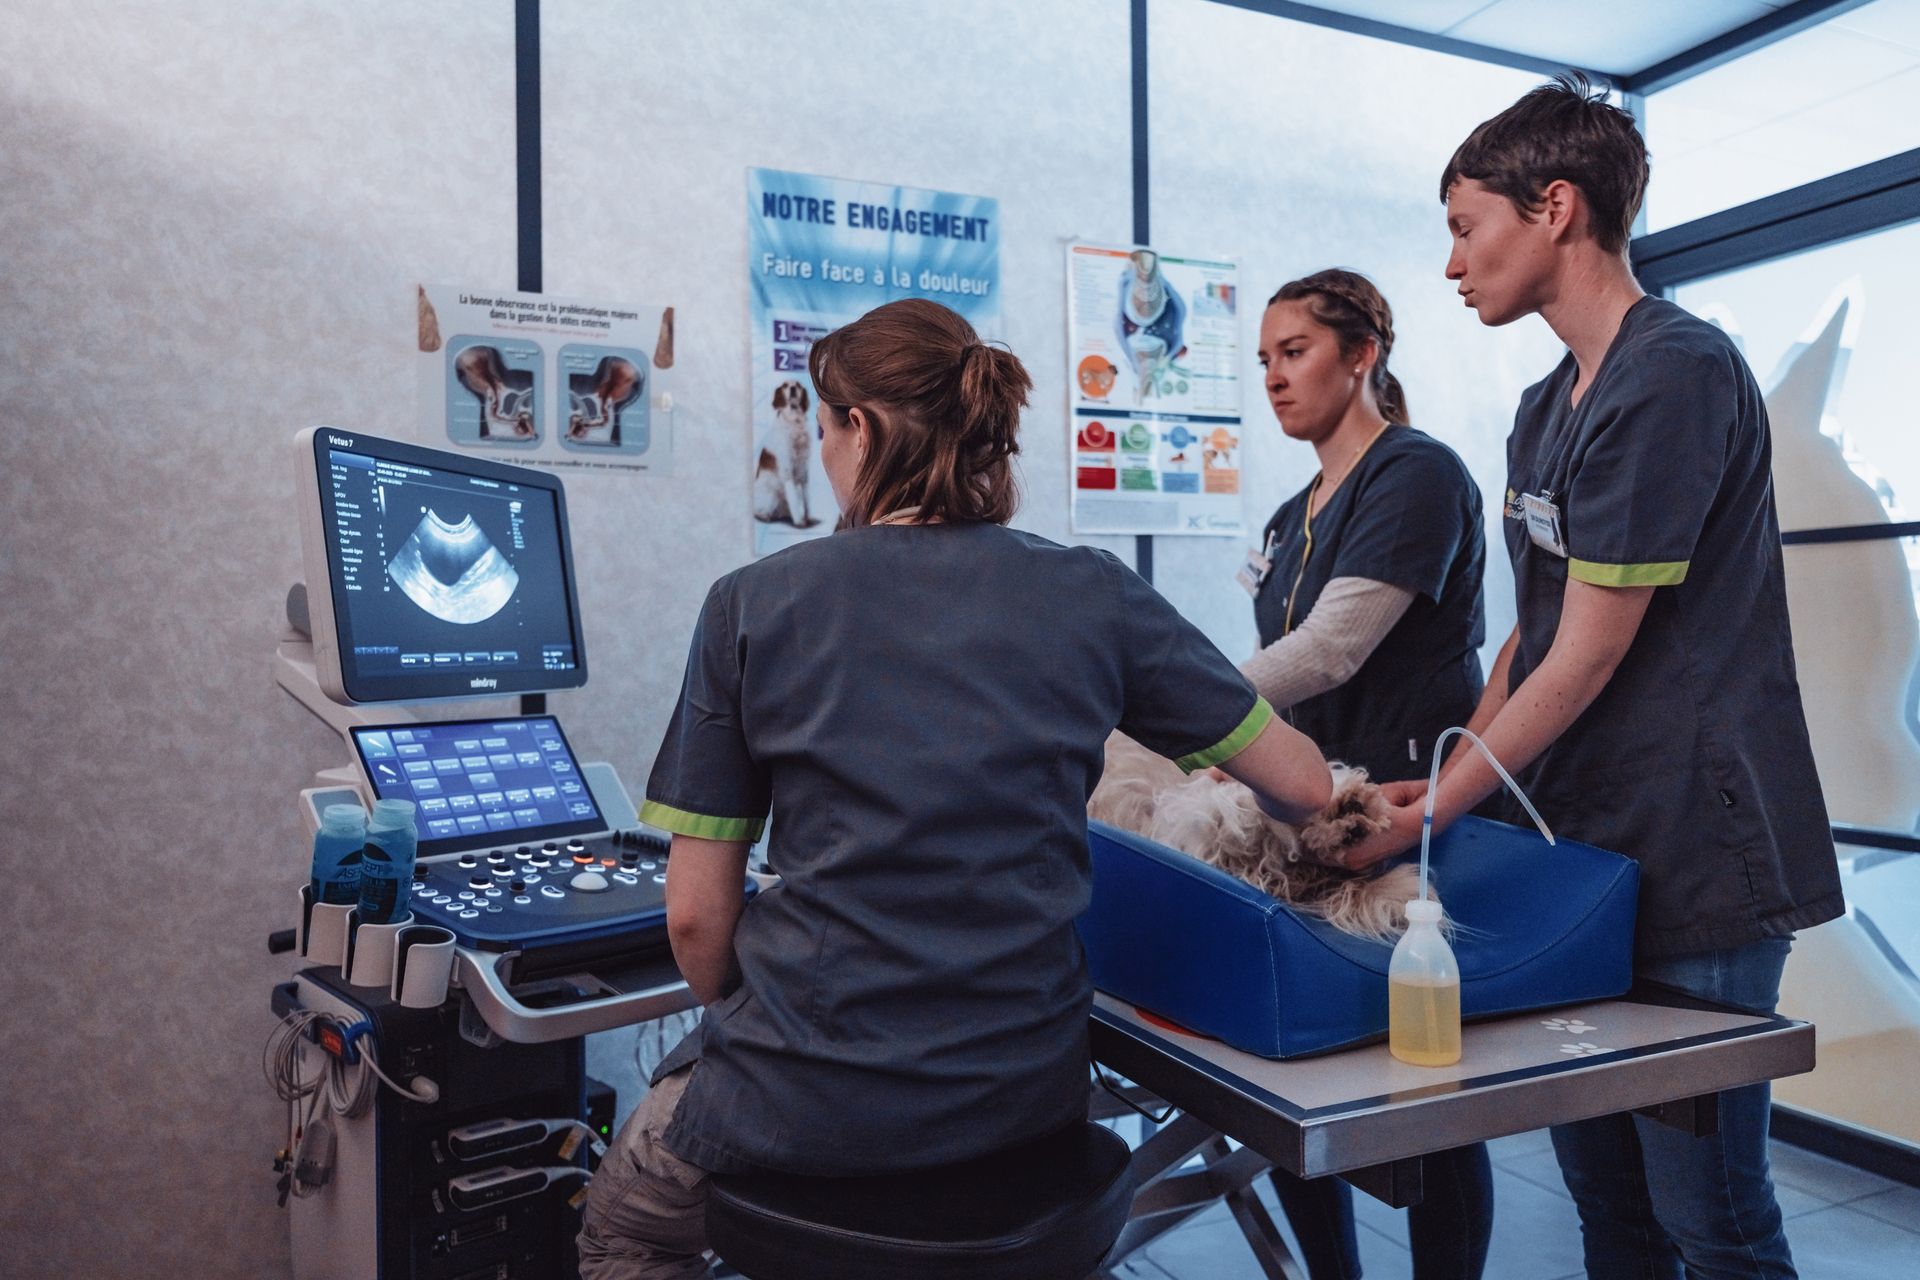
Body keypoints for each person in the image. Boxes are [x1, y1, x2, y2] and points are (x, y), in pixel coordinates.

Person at [577, 298, 1337, 1279]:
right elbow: (1304, 782)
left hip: (802, 1094)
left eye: (824, 422)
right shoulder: (1094, 592)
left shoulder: (753, 603)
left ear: (860, 429)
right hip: (1022, 1098)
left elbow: (694, 920)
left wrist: (781, 1029)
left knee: (623, 1227)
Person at [1347, 74, 1844, 1279]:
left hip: (1695, 848)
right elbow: (1532, 628)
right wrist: (1451, 768)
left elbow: (1592, 650)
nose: (1454, 264)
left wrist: (1439, 814)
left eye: (1469, 227)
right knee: (1609, 1211)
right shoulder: (1539, 405)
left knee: (1709, 1217)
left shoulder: (1673, 372)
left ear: (1554, 208)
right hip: (1590, 849)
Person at [1242, 268, 1495, 1280]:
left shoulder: (1415, 474)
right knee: (1292, 1073)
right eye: (1263, 360)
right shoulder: (1284, 516)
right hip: (1308, 820)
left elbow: (1328, 650)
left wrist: (1173, 708)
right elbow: (1277, 685)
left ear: (1361, 356)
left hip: (1402, 816)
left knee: (1427, 1090)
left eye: (1293, 351)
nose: (1273, 377)